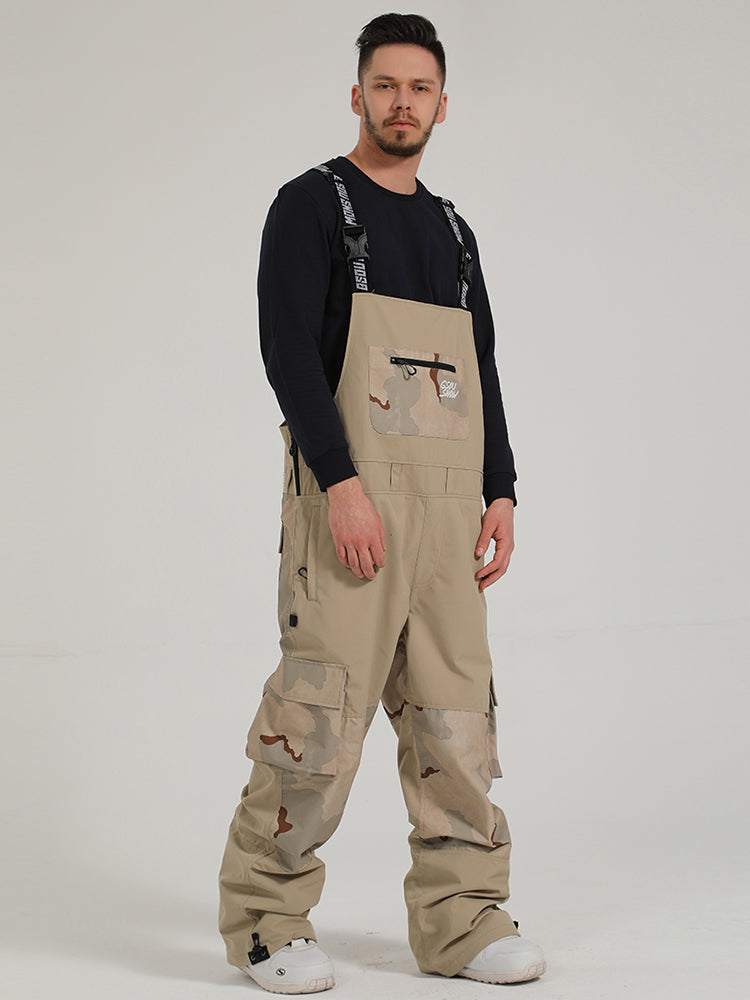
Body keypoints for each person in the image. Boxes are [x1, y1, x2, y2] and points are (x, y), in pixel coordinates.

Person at [218, 13, 546, 993]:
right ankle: (267, 922)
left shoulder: (452, 231)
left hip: (449, 517)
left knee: (457, 722)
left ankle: (463, 922)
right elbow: (288, 354)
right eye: (386, 84)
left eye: (420, 87)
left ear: (443, 104)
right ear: (357, 94)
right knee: (318, 716)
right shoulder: (310, 206)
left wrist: (501, 488)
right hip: (350, 505)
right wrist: (343, 483)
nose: (403, 102)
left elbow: (482, 368)